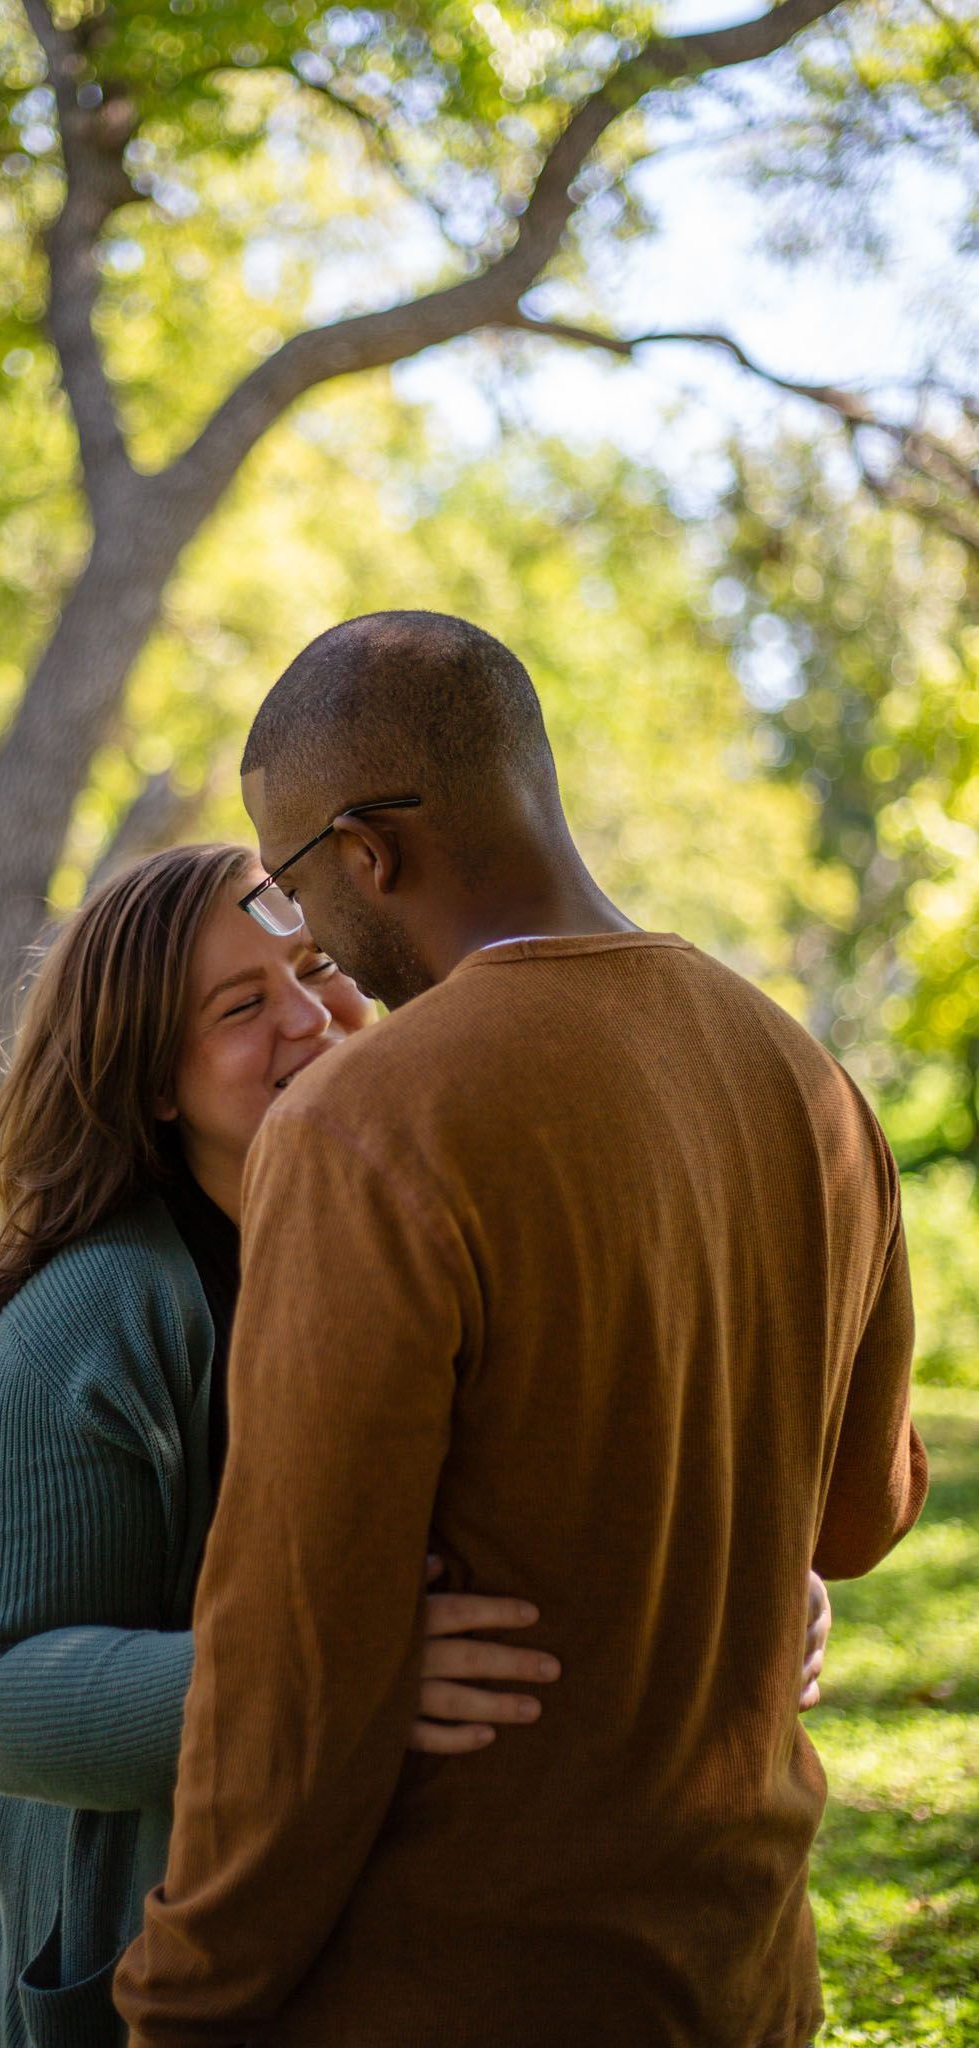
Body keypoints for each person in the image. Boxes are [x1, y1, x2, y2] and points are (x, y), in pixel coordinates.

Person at [115, 611, 927, 2048]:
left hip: (454, 1986)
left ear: (368, 852)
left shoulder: (369, 1121)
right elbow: (857, 1522)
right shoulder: (811, 1084)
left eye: (293, 888)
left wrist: (183, 2000)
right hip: (740, 1971)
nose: (306, 935)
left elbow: (297, 1656)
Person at [0, 842, 585, 2048]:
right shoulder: (95, 1313)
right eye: (239, 1004)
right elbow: (3, 1694)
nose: (310, 1017)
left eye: (320, 965)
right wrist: (337, 1678)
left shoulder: (428, 1238)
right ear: (156, 1081)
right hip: (161, 1966)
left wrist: (745, 1596)